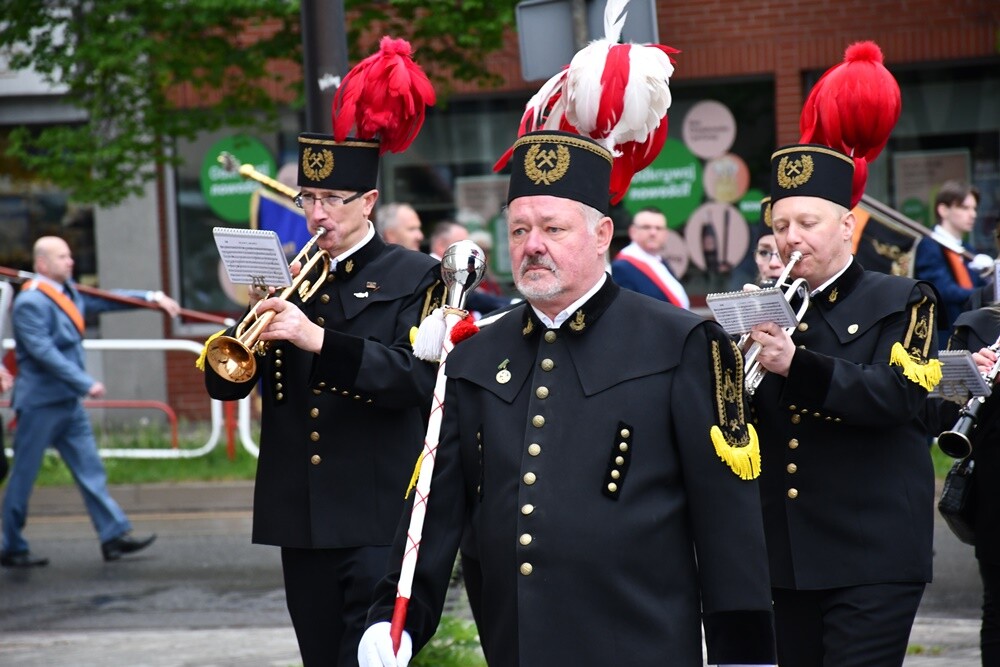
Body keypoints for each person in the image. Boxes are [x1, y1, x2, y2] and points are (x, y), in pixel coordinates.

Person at [359, 128, 776, 664]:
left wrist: (743, 652)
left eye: (553, 228)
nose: (533, 245)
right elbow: (433, 509)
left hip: (641, 645)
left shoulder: (682, 343)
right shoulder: (474, 355)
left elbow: (727, 520)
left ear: (602, 234)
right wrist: (395, 618)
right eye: (519, 230)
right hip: (518, 646)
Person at [202, 37, 442, 667]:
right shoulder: (290, 278)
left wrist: (317, 339)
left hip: (373, 513)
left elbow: (415, 382)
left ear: (368, 202)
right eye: (307, 199)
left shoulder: (415, 274)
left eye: (332, 200)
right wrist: (248, 329)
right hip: (300, 517)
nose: (316, 214)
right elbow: (227, 381)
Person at [747, 141, 942, 665]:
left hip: (872, 553)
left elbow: (898, 396)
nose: (791, 238)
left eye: (807, 223)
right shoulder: (771, 307)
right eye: (781, 225)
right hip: (787, 555)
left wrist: (797, 365)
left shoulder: (905, 299)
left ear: (846, 226)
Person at [1, 236, 178, 567]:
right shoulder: (30, 302)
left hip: (68, 402)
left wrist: (151, 298)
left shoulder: (68, 292)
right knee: (23, 476)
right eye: (62, 257)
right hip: (40, 403)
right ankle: (10, 544)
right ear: (41, 264)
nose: (70, 261)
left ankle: (112, 535)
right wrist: (85, 382)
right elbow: (42, 352)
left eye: (70, 255)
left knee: (90, 469)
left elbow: (108, 299)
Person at [914, 180, 991, 338]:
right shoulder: (929, 245)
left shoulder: (968, 250)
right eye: (964, 208)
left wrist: (991, 277)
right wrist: (984, 293)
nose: (973, 214)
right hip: (943, 336)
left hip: (968, 334)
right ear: (943, 210)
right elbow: (942, 290)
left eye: (974, 208)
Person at [610, 206, 690, 308]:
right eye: (646, 227)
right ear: (633, 232)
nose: (653, 233)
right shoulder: (622, 267)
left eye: (658, 228)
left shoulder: (661, 261)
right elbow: (628, 309)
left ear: (665, 234)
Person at [428, 221, 511, 317]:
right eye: (462, 246)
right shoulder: (432, 272)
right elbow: (473, 298)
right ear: (441, 245)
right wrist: (512, 302)